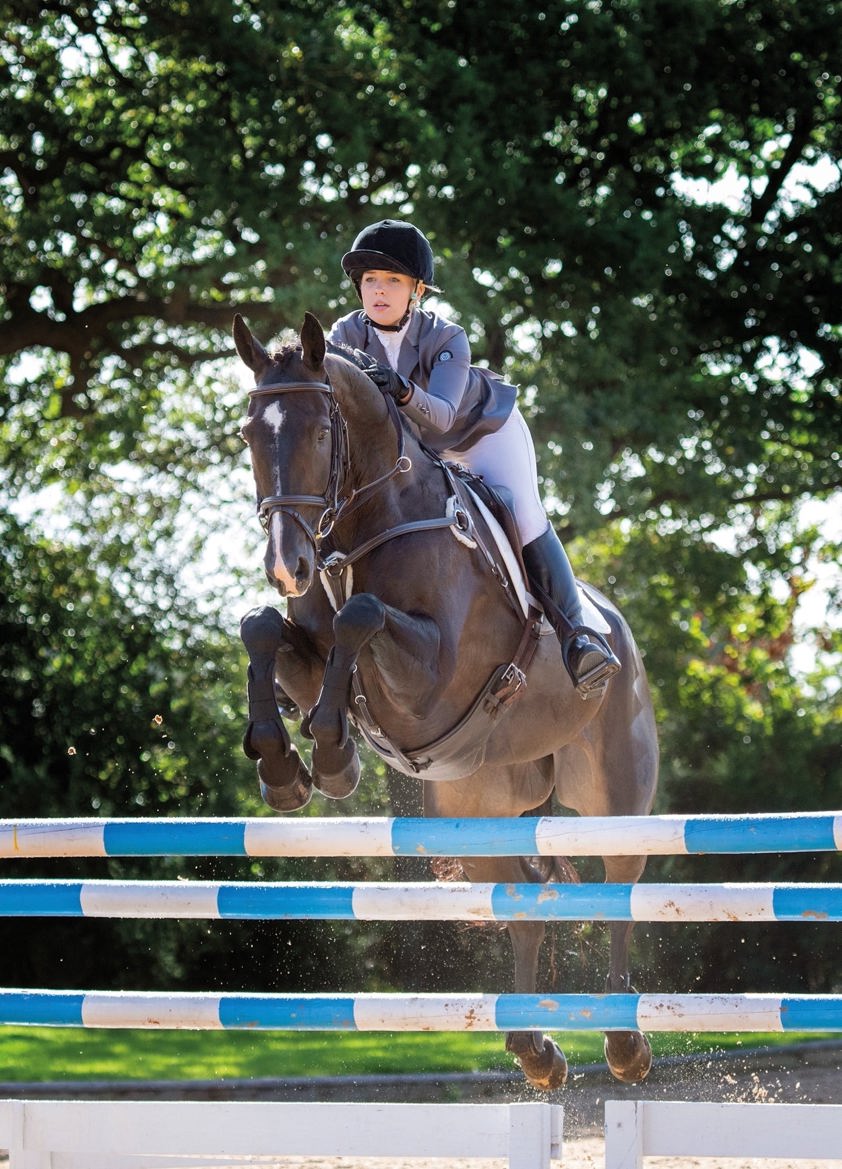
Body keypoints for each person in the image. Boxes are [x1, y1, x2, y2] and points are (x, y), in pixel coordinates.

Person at [327, 218, 620, 698]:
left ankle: (579, 639)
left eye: (393, 281)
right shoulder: (344, 335)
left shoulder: (448, 337)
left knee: (522, 514)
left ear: (417, 289)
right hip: (418, 452)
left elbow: (441, 416)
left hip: (482, 434)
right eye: (370, 281)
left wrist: (398, 387)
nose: (379, 291)